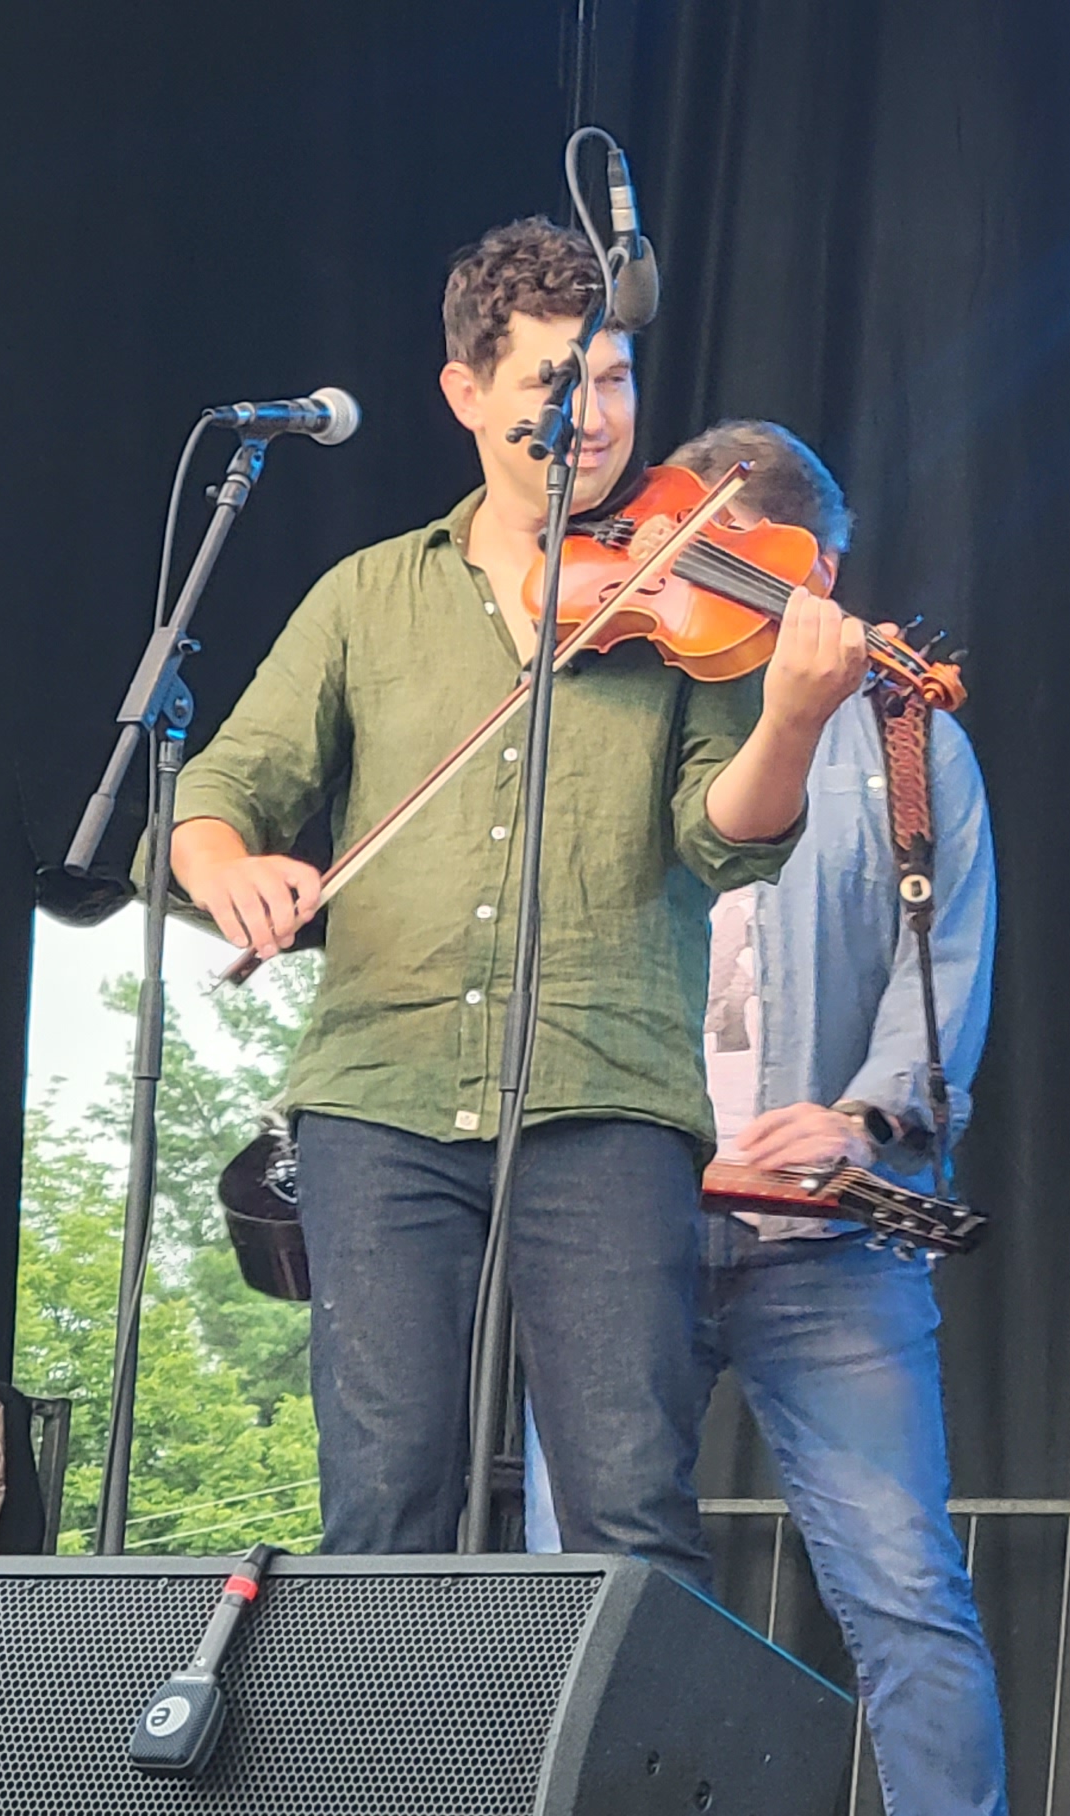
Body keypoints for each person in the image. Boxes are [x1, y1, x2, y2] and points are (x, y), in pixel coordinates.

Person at [169, 219, 869, 1581]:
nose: (593, 414)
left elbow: (728, 837)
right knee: (382, 1503)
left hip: (604, 1090)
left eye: (611, 379)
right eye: (555, 380)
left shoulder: (681, 601)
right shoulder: (369, 597)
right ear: (467, 392)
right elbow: (225, 784)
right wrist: (224, 861)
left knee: (628, 1513)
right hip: (382, 1087)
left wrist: (788, 717)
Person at [518, 421, 1008, 1814]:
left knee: (908, 1590)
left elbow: (947, 959)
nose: (693, 583)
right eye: (682, 547)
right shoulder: (602, 696)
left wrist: (866, 1114)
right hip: (623, 1219)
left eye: (736, 558)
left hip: (826, 1248)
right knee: (584, 1590)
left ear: (819, 570)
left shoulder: (905, 740)